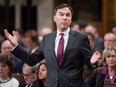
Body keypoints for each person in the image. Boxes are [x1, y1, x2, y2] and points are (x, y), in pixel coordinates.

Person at [4, 4, 101, 87]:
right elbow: (31, 60)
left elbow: (90, 64)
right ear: (54, 18)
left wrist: (92, 62)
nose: (64, 17)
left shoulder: (81, 38)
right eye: (61, 14)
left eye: (68, 15)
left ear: (71, 19)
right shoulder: (47, 39)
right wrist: (16, 45)